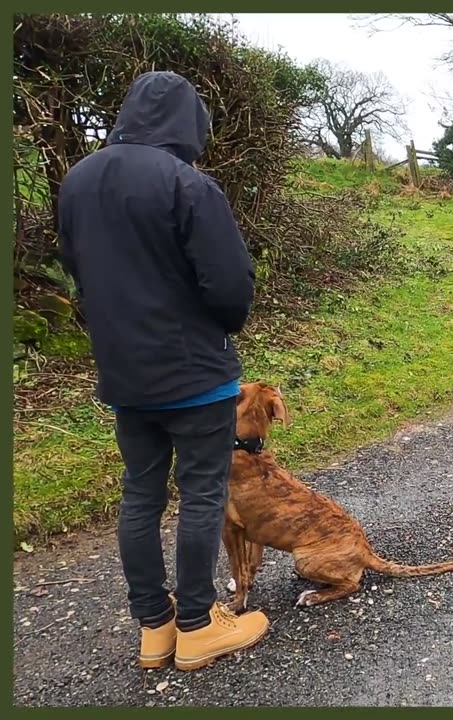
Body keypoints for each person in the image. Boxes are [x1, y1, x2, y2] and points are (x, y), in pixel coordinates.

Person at [57, 71, 269, 671]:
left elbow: (77, 267)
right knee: (202, 493)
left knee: (140, 494)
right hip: (194, 374)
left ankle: (156, 626)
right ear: (187, 122)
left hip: (123, 372)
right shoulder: (187, 184)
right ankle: (199, 626)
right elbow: (230, 286)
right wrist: (222, 324)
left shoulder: (78, 181)